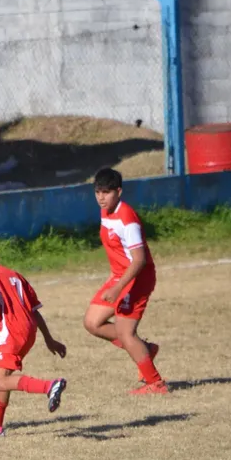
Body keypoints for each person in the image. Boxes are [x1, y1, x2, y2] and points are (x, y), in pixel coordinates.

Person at [0, 232, 68, 436]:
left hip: (12, 330)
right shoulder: (14, 274)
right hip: (28, 330)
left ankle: (49, 386)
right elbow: (34, 310)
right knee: (2, 378)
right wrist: (49, 339)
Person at [83, 167, 166, 395]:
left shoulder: (127, 219)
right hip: (120, 276)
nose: (101, 197)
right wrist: (114, 277)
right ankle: (145, 350)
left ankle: (155, 384)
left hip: (137, 278)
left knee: (125, 333)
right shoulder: (105, 211)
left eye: (106, 192)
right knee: (92, 322)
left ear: (118, 192)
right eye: (97, 192)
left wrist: (119, 287)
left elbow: (139, 260)